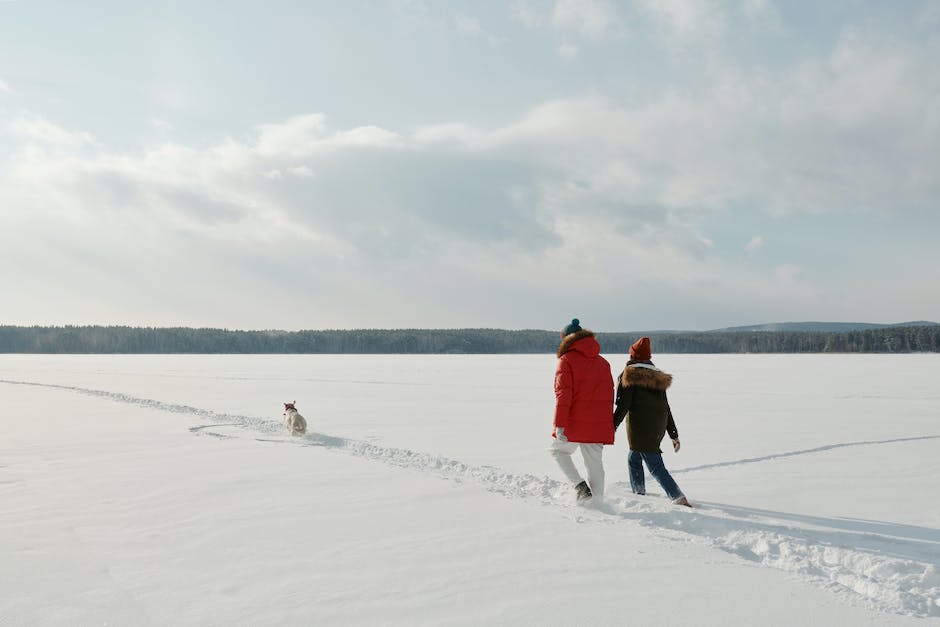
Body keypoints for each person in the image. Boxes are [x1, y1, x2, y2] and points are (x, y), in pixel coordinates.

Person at [613, 337, 692, 507]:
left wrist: (611, 426)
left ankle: (678, 497)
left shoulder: (630, 376)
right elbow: (667, 407)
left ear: (633, 356)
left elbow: (623, 407)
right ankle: (639, 493)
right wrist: (673, 434)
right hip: (657, 427)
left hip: (640, 429)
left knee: (654, 465)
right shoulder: (657, 377)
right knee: (633, 458)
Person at [550, 318, 615, 503]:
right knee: (595, 463)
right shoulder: (603, 363)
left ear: (567, 339)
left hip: (575, 421)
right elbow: (608, 397)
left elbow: (563, 396)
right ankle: (598, 502)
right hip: (598, 424)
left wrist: (559, 425)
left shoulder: (566, 360)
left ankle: (580, 487)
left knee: (558, 451)